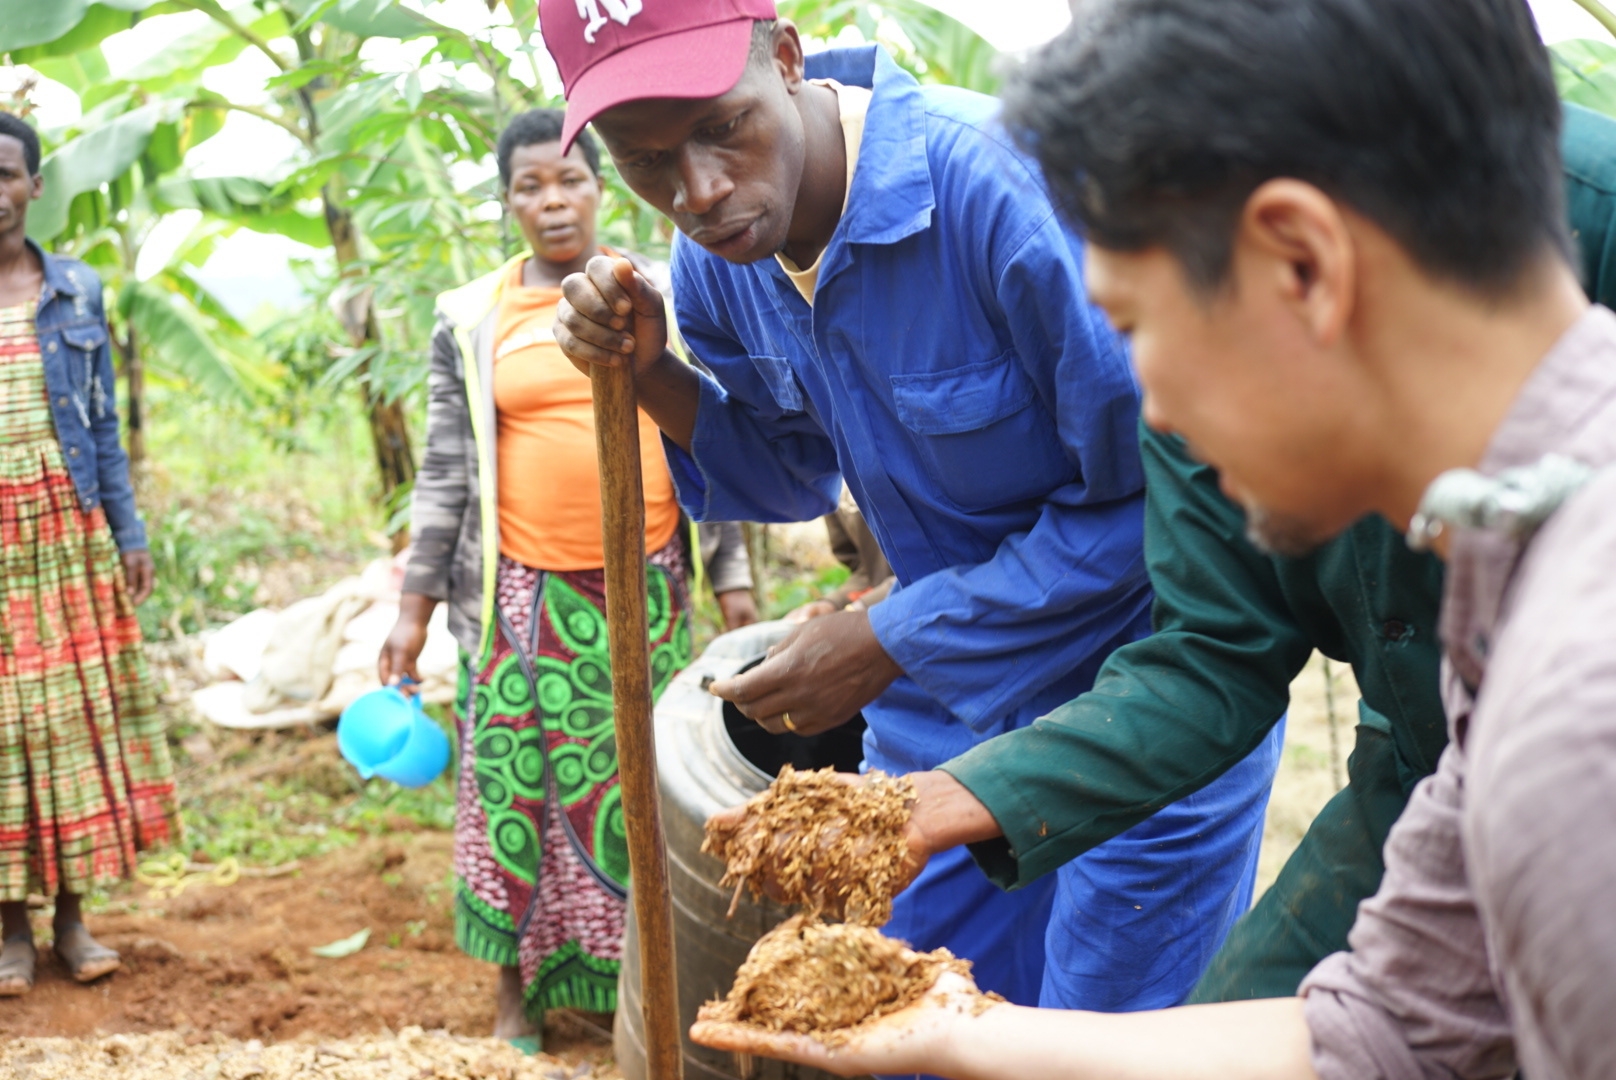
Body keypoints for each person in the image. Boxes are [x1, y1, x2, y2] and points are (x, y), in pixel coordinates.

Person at [691, 0, 1616, 1076]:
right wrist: (964, 1033)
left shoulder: (1568, 724)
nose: (1154, 420)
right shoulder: (1502, 611)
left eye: (1134, 330)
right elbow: (1397, 1020)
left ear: (1301, 264)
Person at [540, 0, 1286, 1015]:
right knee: (912, 1019)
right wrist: (654, 373)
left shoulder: (1002, 192)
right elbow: (784, 473)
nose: (699, 191)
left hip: (1143, 695)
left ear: (789, 60)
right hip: (943, 708)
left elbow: (1163, 504)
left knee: (1099, 1033)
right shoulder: (726, 260)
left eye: (723, 127)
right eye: (645, 160)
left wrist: (889, 636)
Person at [376, 108, 754, 1045]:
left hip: (651, 587)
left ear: (601, 185)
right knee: (513, 790)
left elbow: (714, 429)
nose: (552, 201)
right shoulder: (471, 316)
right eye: (529, 186)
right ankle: (518, 999)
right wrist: (413, 612)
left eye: (570, 180)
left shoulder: (659, 290)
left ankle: (647, 992)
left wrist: (736, 584)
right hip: (516, 601)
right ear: (507, 201)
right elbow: (447, 471)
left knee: (642, 795)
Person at [0, 112, 178, 996]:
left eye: (6, 174)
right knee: (4, 735)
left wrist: (128, 530)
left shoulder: (75, 291)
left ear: (35, 186)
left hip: (67, 540)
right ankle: (10, 933)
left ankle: (70, 921)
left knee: (69, 726)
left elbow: (103, 428)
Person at [785, 485, 895, 623]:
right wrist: (833, 604)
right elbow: (868, 570)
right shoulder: (832, 483)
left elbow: (926, 569)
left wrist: (863, 607)